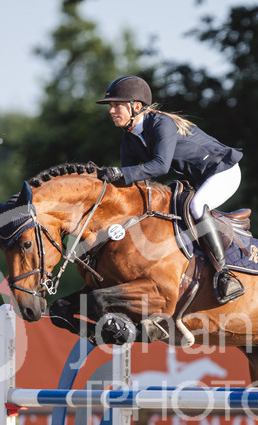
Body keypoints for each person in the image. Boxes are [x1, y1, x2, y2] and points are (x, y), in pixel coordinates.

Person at [95, 75, 245, 304]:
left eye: (116, 105)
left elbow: (160, 166)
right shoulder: (130, 139)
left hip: (222, 171)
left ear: (136, 106)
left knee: (196, 206)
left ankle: (225, 275)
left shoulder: (160, 124)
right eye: (111, 106)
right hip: (196, 179)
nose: (111, 110)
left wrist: (120, 174)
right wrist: (99, 180)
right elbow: (131, 185)